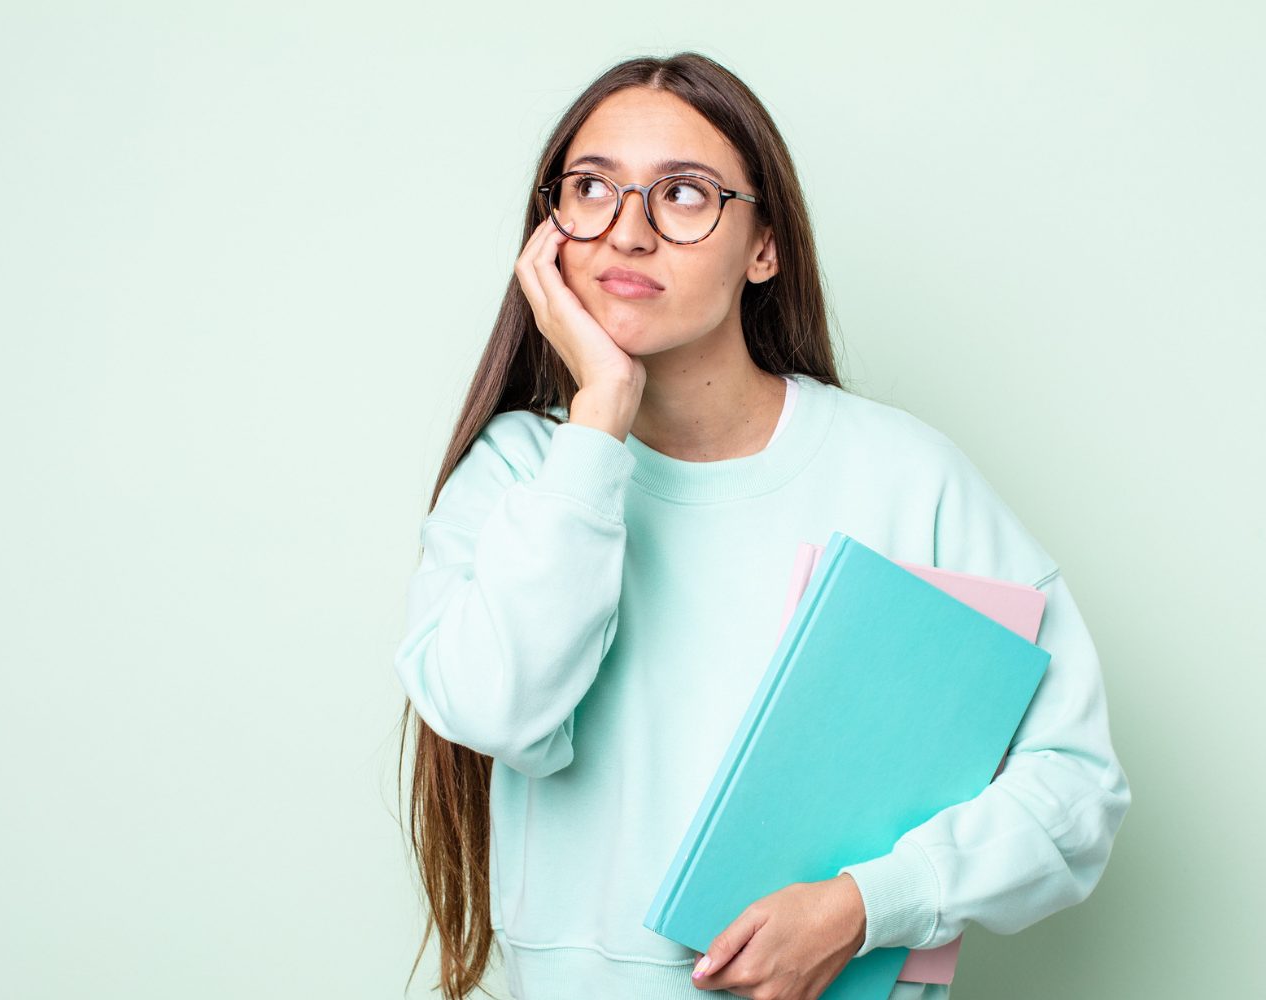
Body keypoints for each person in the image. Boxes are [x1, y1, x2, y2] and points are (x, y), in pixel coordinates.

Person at [392, 51, 1131, 1000]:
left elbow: (1074, 782)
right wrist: (600, 418)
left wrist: (868, 904)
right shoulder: (521, 475)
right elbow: (499, 710)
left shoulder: (907, 478)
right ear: (551, 230)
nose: (628, 231)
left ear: (765, 248)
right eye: (591, 189)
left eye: (685, 195)